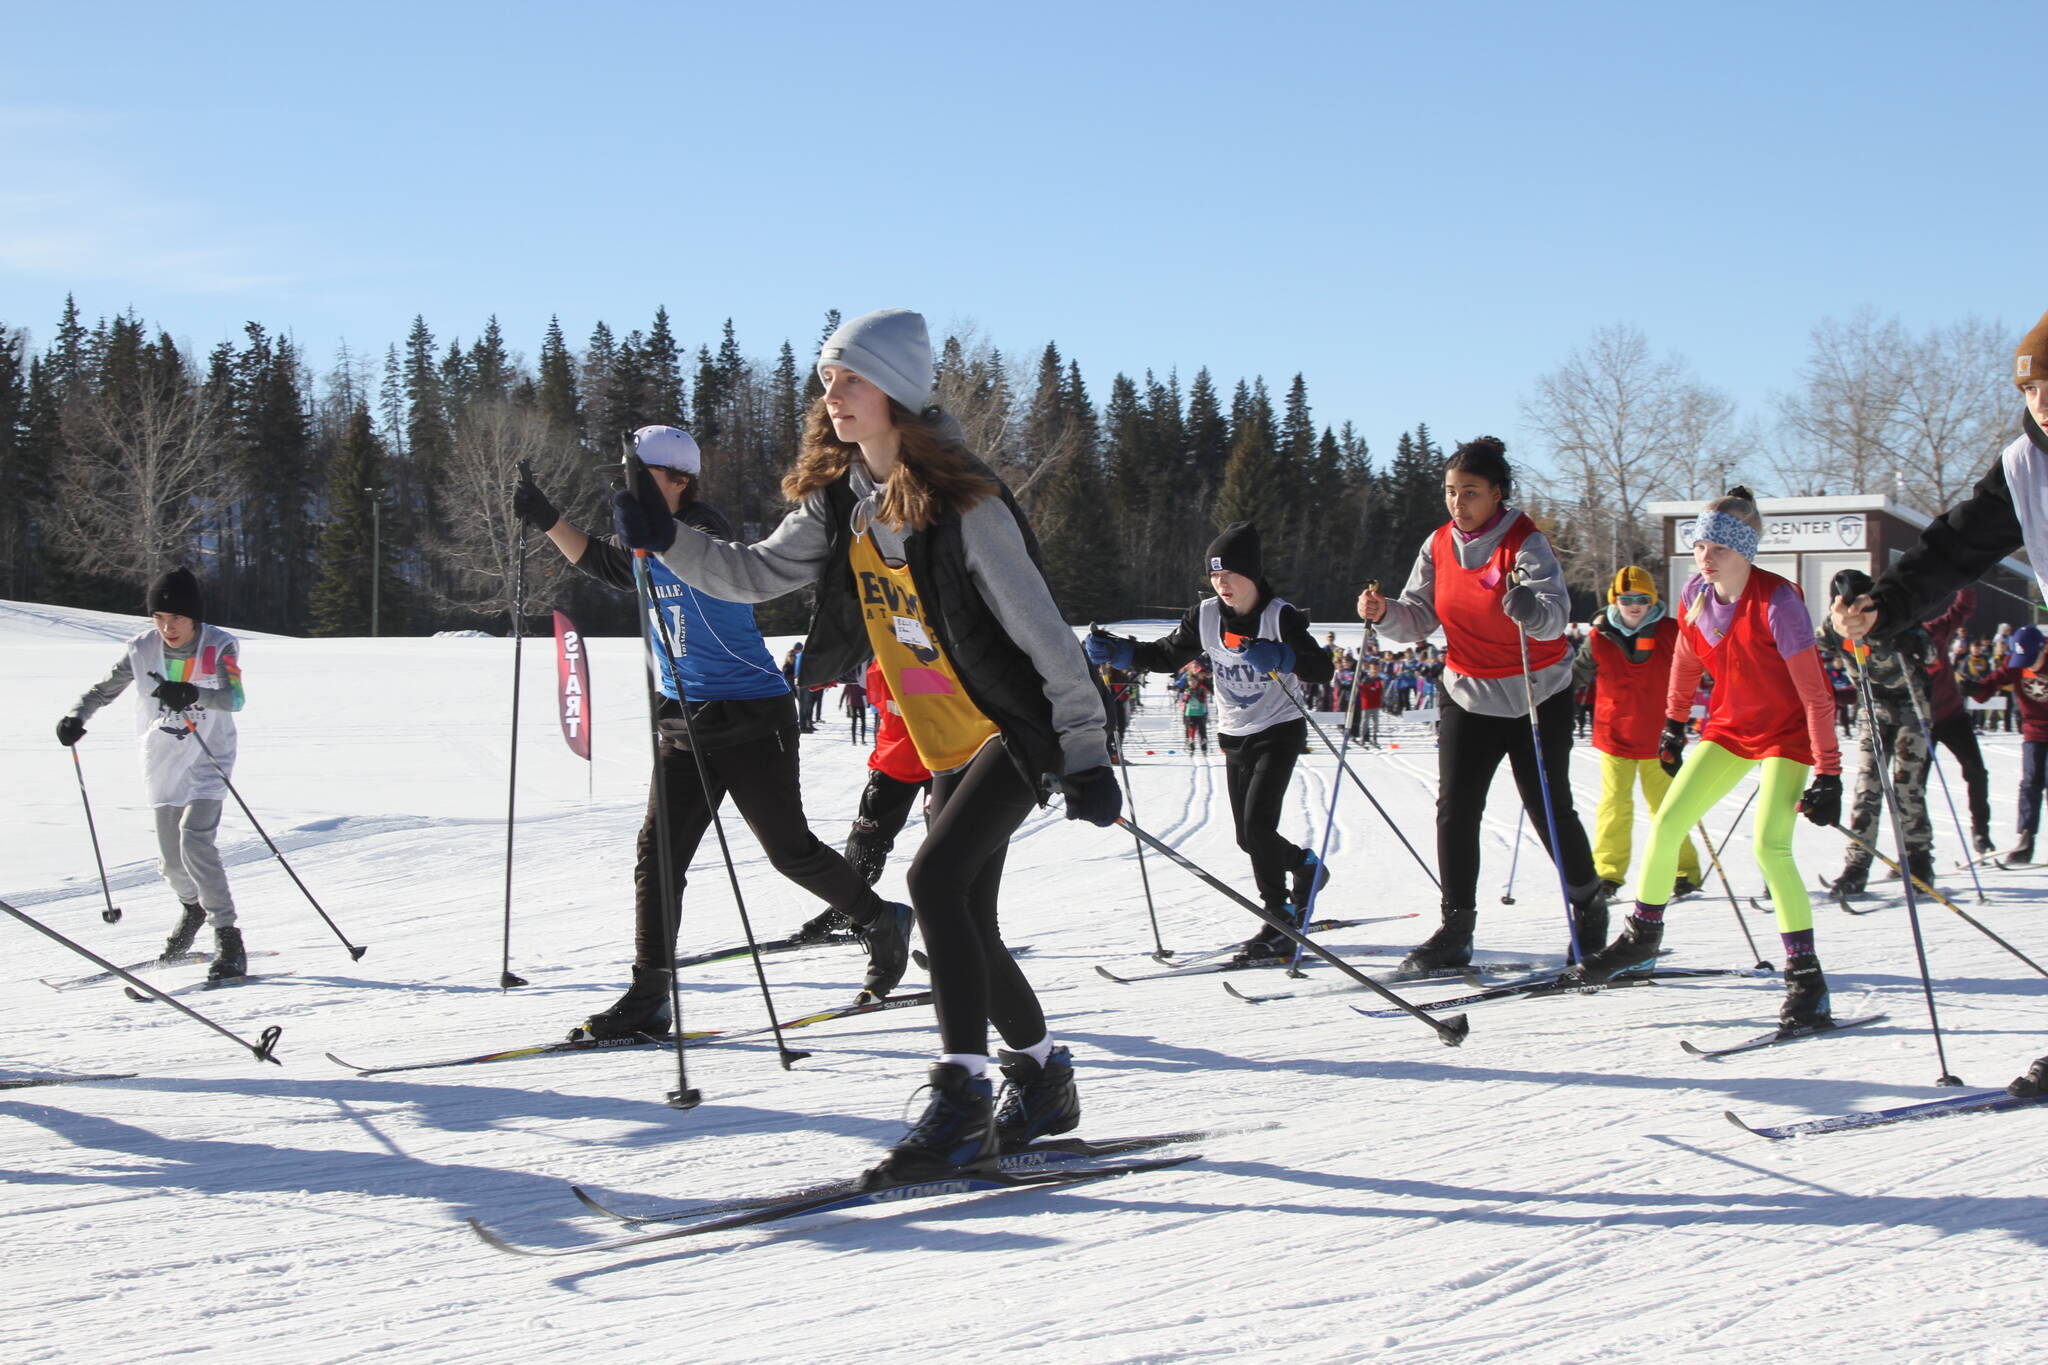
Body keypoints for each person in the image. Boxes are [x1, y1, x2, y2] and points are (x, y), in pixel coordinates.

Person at [617, 308, 1118, 1181]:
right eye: (827, 378)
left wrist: (1084, 749)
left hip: (1013, 726)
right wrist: (670, 542)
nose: (831, 393)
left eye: (849, 377)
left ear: (897, 389)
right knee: (972, 921)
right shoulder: (844, 500)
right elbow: (757, 572)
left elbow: (1046, 637)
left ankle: (962, 1096)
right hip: (945, 744)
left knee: (931, 881)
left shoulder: (969, 506)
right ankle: (1042, 1077)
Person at [512, 425, 915, 1041]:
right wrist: (547, 518)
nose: (629, 490)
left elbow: (700, 560)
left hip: (751, 714)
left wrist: (652, 541)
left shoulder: (705, 536)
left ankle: (881, 920)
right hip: (682, 716)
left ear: (678, 482)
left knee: (789, 851)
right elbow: (599, 561)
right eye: (627, 478)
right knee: (659, 854)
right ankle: (649, 993)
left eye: (642, 478)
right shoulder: (645, 542)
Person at [1573, 489, 1844, 1034]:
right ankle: (1641, 938)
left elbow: (1816, 696)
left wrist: (1829, 771)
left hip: (1784, 735)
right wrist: (1674, 722)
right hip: (1727, 727)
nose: (1704, 555)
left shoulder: (1778, 602)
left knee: (1771, 848)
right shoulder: (1697, 594)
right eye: (1700, 543)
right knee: (1670, 820)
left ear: (1744, 549)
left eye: (1718, 545)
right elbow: (1686, 658)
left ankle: (1807, 980)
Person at [1357, 436, 1608, 971]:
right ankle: (1456, 927)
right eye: (1450, 492)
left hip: (1535, 692)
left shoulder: (1526, 542)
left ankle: (1589, 908)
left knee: (1547, 805)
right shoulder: (1438, 545)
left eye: (1469, 492)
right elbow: (1419, 618)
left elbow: (1555, 616)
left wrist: (1528, 608)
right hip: (1469, 691)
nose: (1457, 502)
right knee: (1456, 809)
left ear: (1497, 494)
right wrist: (1383, 613)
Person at [1087, 521, 1336, 962]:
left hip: (1279, 729)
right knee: (1247, 837)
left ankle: (1278, 916)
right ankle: (1305, 866)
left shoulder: (1280, 616)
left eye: (1231, 575)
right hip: (1235, 732)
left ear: (1253, 575)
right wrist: (1121, 652)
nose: (1222, 584)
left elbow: (1321, 668)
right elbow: (1166, 656)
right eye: (1215, 576)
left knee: (1258, 827)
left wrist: (1282, 655)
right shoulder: (1203, 616)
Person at [57, 567, 250, 980]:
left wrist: (193, 692)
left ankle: (229, 939)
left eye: (176, 619)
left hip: (208, 755)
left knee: (194, 840)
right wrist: (77, 715)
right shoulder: (141, 649)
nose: (167, 628)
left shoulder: (219, 646)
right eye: (159, 619)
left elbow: (234, 699)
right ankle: (192, 909)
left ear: (193, 617)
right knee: (171, 862)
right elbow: (101, 690)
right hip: (163, 757)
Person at [1576, 567, 1703, 902]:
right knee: (1614, 806)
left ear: (1653, 601)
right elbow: (1576, 675)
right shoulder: (1598, 637)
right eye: (1627, 598)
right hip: (1614, 734)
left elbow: (1701, 665)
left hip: (1659, 736)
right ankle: (1608, 874)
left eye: (1642, 599)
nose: (1635, 605)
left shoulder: (1672, 632)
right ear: (1615, 600)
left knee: (1666, 809)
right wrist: (1550, 699)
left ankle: (1684, 871)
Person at [794, 658, 936, 941]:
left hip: (946, 763)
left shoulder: (936, 650)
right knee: (863, 843)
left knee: (948, 851)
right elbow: (835, 662)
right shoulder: (872, 658)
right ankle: (848, 908)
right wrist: (817, 672)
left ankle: (962, 930)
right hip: (894, 764)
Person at [1820, 568, 1939, 894]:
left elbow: (1931, 654)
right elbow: (1806, 645)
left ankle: (1918, 860)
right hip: (1872, 711)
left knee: (1905, 787)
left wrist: (1911, 638)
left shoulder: (1893, 617)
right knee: (1867, 787)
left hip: (1911, 711)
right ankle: (1857, 864)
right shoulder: (1835, 627)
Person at [1962, 627, 2048, 863]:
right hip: (2034, 732)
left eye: (2033, 660)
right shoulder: (2015, 662)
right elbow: (1993, 683)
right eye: (2024, 661)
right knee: (2030, 784)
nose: (2028, 666)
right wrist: (1975, 689)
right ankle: (2025, 839)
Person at [1922, 591, 1994, 855]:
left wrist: (1965, 577)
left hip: (1953, 717)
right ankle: (1917, 846)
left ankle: (1981, 833)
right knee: (1913, 787)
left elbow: (1963, 608)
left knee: (1976, 772)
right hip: (1920, 724)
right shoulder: (1892, 647)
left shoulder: (1934, 631)